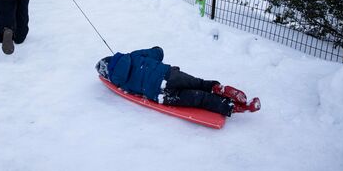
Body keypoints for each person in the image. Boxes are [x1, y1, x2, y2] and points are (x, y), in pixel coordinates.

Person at [96, 47, 261, 117]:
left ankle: (233, 107)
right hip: (169, 74)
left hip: (161, 94)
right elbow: (158, 53)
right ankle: (219, 88)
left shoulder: (120, 83)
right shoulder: (133, 55)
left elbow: (135, 92)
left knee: (198, 99)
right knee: (199, 83)